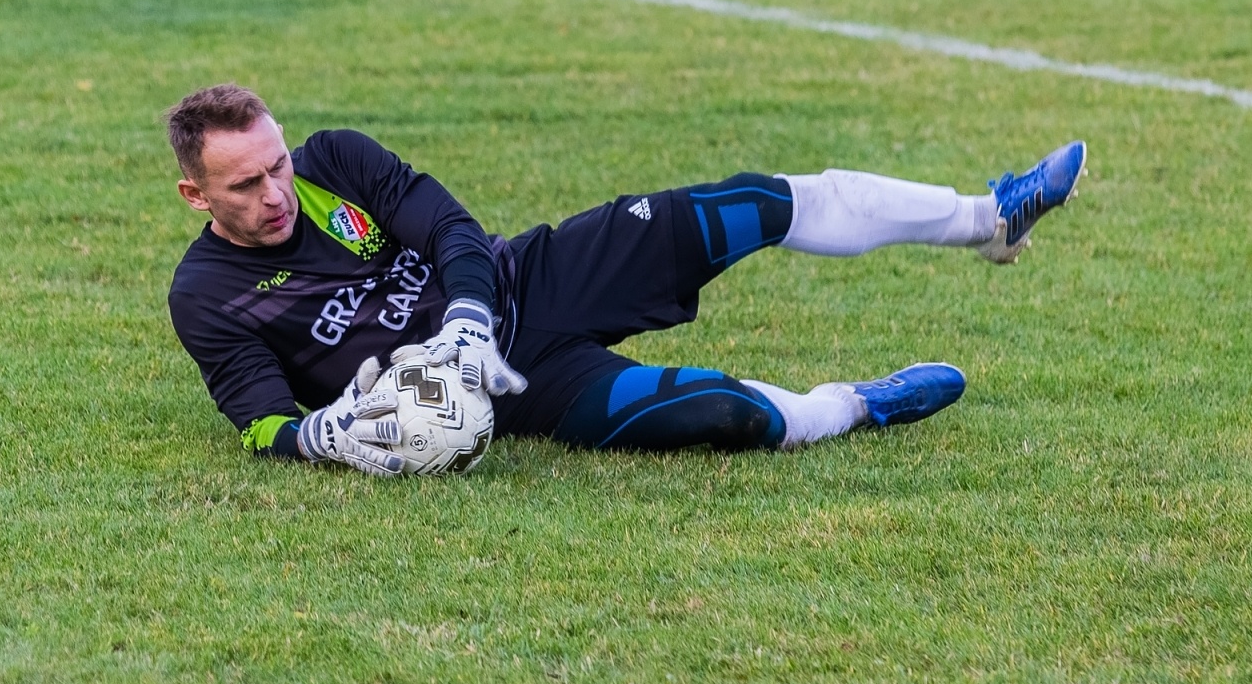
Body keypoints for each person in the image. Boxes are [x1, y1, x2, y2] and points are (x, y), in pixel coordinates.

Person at [166, 83, 1085, 475]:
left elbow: (450, 229)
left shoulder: (336, 161)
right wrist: (317, 439)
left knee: (750, 204)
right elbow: (257, 420)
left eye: (277, 164)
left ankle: (989, 218)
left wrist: (468, 324)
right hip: (526, 394)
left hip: (537, 279)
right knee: (727, 418)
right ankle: (858, 405)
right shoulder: (203, 296)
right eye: (247, 183)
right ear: (196, 193)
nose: (277, 190)